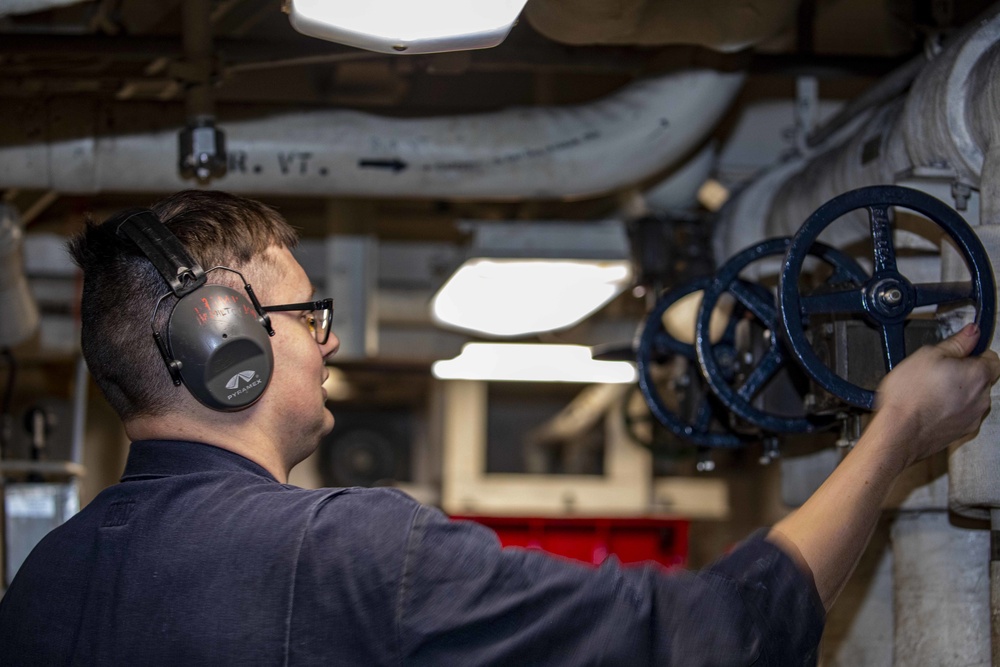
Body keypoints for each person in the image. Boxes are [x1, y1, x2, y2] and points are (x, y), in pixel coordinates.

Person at [1, 189, 997, 666]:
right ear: (228, 342)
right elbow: (715, 639)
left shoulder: (48, 582)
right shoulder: (346, 552)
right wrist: (893, 437)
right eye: (310, 316)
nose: (332, 340)